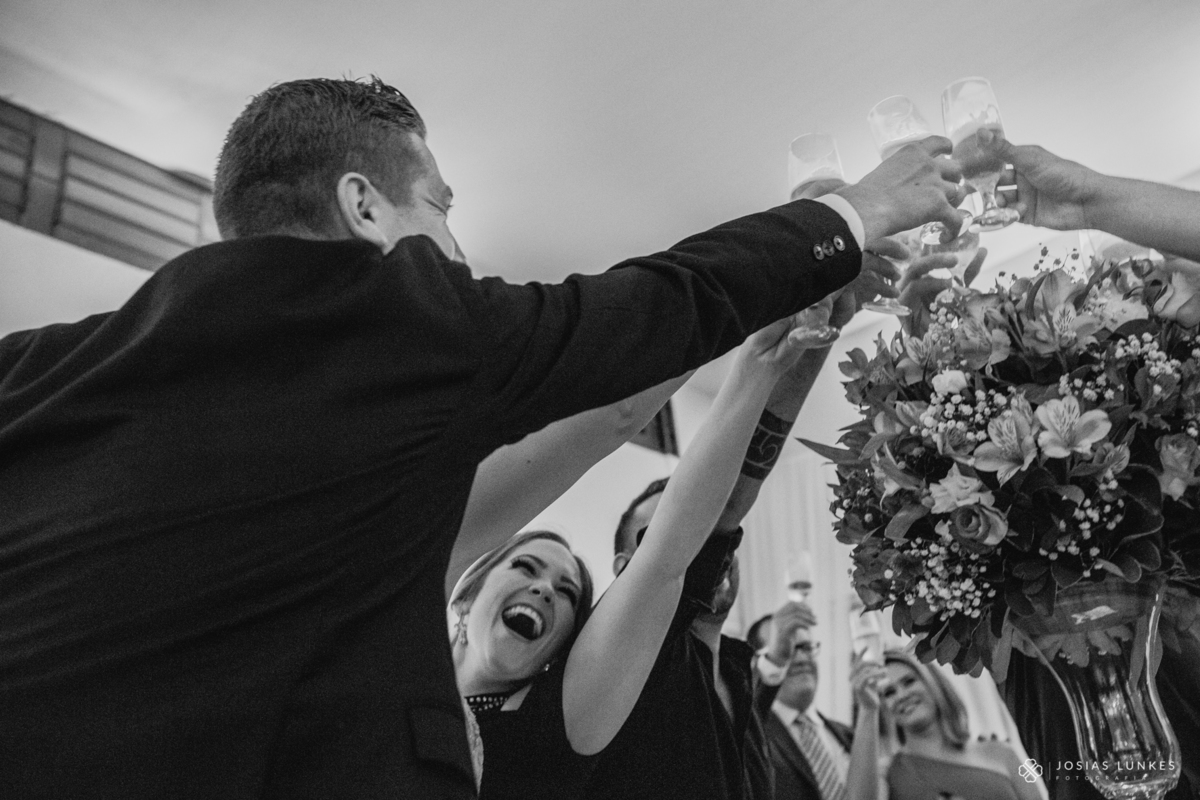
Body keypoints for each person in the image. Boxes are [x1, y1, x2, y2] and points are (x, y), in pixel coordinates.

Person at [0, 75, 965, 798]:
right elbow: (652, 308)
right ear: (365, 207)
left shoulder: (34, 371)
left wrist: (772, 351)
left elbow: (624, 412)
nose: (458, 250)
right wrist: (857, 211)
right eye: (442, 210)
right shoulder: (398, 322)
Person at [448, 309, 832, 799]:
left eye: (568, 593)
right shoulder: (391, 671)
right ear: (465, 596)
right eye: (525, 566)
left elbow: (684, 543)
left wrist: (765, 359)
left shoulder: (556, 729)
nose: (544, 589)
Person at [847, 649, 1041, 800]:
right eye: (888, 693)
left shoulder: (1006, 754)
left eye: (909, 681)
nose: (901, 695)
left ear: (933, 681)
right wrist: (867, 709)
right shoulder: (888, 772)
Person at [758, 602, 874, 800]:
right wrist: (775, 661)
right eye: (787, 649)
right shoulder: (753, 735)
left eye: (806, 647)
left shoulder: (848, 735)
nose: (802, 659)